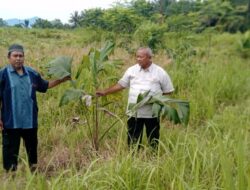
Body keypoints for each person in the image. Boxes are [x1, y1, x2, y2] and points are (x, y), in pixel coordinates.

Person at [0, 44, 70, 172]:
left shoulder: (32, 73)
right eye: (15, 56)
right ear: (9, 57)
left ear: (24, 57)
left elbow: (45, 86)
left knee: (32, 150)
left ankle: (33, 172)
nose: (18, 58)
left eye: (21, 56)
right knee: (10, 151)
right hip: (11, 122)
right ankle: (11, 176)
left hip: (30, 121)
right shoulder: (3, 75)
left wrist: (62, 80)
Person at [96, 47, 174, 149]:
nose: (138, 59)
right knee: (133, 137)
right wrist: (104, 92)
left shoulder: (160, 72)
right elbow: (121, 85)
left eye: (141, 57)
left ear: (150, 58)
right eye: (137, 56)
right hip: (134, 111)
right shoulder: (131, 70)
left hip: (152, 113)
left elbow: (168, 90)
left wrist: (155, 99)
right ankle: (133, 156)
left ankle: (154, 156)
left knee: (153, 137)